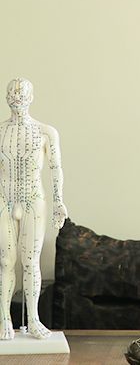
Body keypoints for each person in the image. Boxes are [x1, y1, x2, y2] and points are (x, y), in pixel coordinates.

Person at [0, 78, 68, 340]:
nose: (17, 99)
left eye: (22, 94)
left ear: (31, 97)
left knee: (30, 262)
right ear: (6, 98)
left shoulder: (46, 132)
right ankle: (4, 318)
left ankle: (33, 319)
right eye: (12, 94)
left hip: (33, 199)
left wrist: (59, 200)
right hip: (4, 199)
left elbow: (55, 168)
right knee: (5, 261)